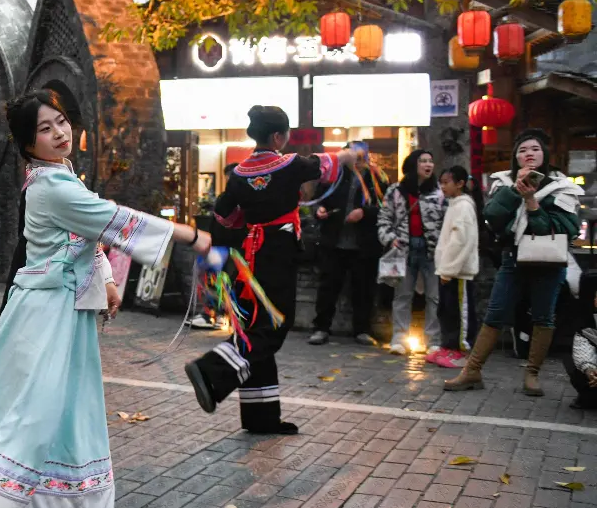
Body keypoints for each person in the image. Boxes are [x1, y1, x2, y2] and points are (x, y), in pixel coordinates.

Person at [0, 90, 209, 508]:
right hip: (44, 314)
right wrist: (191, 234)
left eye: (61, 121)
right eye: (45, 129)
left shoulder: (62, 177)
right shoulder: (51, 186)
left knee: (73, 415)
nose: (59, 132)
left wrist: (104, 278)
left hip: (67, 311)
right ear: (28, 144)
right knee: (35, 414)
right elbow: (110, 219)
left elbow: (88, 232)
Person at [184, 106, 354, 435]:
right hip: (277, 250)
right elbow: (324, 163)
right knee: (273, 325)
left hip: (249, 254)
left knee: (257, 323)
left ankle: (261, 417)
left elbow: (223, 215)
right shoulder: (287, 164)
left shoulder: (239, 173)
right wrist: (352, 154)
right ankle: (212, 369)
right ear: (278, 136)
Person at [445, 129, 582, 396]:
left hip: (550, 263)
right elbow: (493, 218)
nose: (529, 154)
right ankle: (472, 371)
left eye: (535, 149)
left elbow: (564, 227)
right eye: (522, 150)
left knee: (543, 316)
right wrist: (514, 191)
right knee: (495, 313)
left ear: (544, 155)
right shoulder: (503, 182)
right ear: (515, 157)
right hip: (513, 259)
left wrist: (531, 201)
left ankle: (532, 374)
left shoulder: (561, 186)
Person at [309, 141, 387, 346]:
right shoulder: (334, 175)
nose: (358, 161)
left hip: (363, 244)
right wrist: (319, 211)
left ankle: (361, 329)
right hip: (334, 241)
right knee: (328, 287)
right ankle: (321, 327)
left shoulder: (376, 177)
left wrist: (365, 212)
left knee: (363, 289)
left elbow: (385, 208)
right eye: (355, 156)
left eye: (362, 157)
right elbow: (317, 200)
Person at [376, 150, 445, 355]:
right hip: (403, 248)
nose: (428, 164)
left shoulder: (439, 192)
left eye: (430, 161)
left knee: (434, 296)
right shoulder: (396, 190)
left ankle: (433, 340)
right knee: (402, 295)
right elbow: (384, 218)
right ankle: (399, 338)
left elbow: (446, 221)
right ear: (413, 165)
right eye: (423, 161)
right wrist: (390, 239)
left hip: (432, 250)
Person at [432, 166, 480, 369]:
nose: (443, 186)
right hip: (448, 271)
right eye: (441, 182)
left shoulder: (463, 206)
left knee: (460, 313)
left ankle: (462, 351)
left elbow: (461, 241)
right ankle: (449, 347)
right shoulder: (454, 204)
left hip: (458, 272)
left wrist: (449, 270)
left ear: (460, 183)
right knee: (447, 311)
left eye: (446, 182)